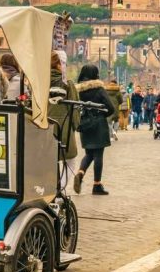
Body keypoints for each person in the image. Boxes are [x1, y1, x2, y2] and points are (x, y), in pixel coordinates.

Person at [72, 64, 116, 195]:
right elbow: (111, 108)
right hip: (98, 125)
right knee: (98, 155)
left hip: (84, 124)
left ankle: (80, 173)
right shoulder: (99, 89)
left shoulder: (78, 90)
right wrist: (101, 116)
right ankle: (97, 185)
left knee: (89, 153)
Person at [48, 51, 80, 190]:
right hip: (64, 125)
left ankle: (50, 187)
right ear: (59, 65)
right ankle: (60, 189)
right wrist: (75, 125)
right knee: (70, 159)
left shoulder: (40, 81)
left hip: (45, 125)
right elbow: (75, 107)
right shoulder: (67, 83)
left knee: (49, 158)